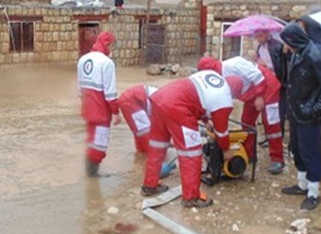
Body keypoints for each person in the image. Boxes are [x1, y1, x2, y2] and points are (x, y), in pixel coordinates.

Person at [141, 70, 234, 208]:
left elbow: (196, 97)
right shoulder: (224, 98)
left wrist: (206, 122)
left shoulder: (210, 77)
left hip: (159, 99)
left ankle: (149, 185)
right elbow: (222, 130)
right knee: (191, 153)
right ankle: (191, 197)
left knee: (157, 146)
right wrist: (226, 149)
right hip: (177, 107)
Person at [279, 23, 321, 210]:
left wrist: (315, 110)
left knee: (310, 152)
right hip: (296, 111)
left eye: (286, 42)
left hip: (308, 113)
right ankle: (302, 184)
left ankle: (313, 192)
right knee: (297, 148)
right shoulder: (297, 53)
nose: (284, 46)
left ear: (293, 40)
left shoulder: (315, 56)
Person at [197, 56, 285, 174]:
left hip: (267, 86)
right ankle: (249, 154)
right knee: (246, 122)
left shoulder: (235, 63)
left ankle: (277, 159)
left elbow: (258, 77)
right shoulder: (217, 78)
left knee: (271, 124)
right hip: (251, 92)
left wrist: (259, 96)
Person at [77, 31, 121, 177]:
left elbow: (79, 89)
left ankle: (88, 172)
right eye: (112, 45)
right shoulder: (107, 63)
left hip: (87, 108)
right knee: (100, 143)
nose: (112, 49)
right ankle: (92, 174)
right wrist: (116, 112)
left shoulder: (83, 59)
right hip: (101, 110)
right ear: (107, 44)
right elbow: (110, 93)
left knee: (91, 139)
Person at [118, 84, 158, 154]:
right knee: (144, 130)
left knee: (139, 130)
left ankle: (141, 153)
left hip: (133, 98)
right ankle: (153, 156)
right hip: (131, 100)